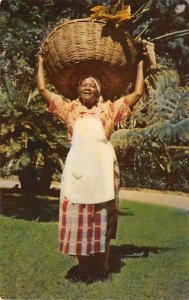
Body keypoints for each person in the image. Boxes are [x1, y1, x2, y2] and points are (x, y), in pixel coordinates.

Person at [36, 39, 156, 283]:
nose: (87, 87)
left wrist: (140, 64)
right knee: (77, 214)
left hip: (103, 171)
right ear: (78, 90)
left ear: (100, 90)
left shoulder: (111, 110)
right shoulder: (69, 110)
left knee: (101, 217)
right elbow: (43, 90)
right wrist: (39, 61)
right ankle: (82, 268)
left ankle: (100, 270)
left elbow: (137, 92)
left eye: (92, 85)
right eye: (84, 84)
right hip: (77, 170)